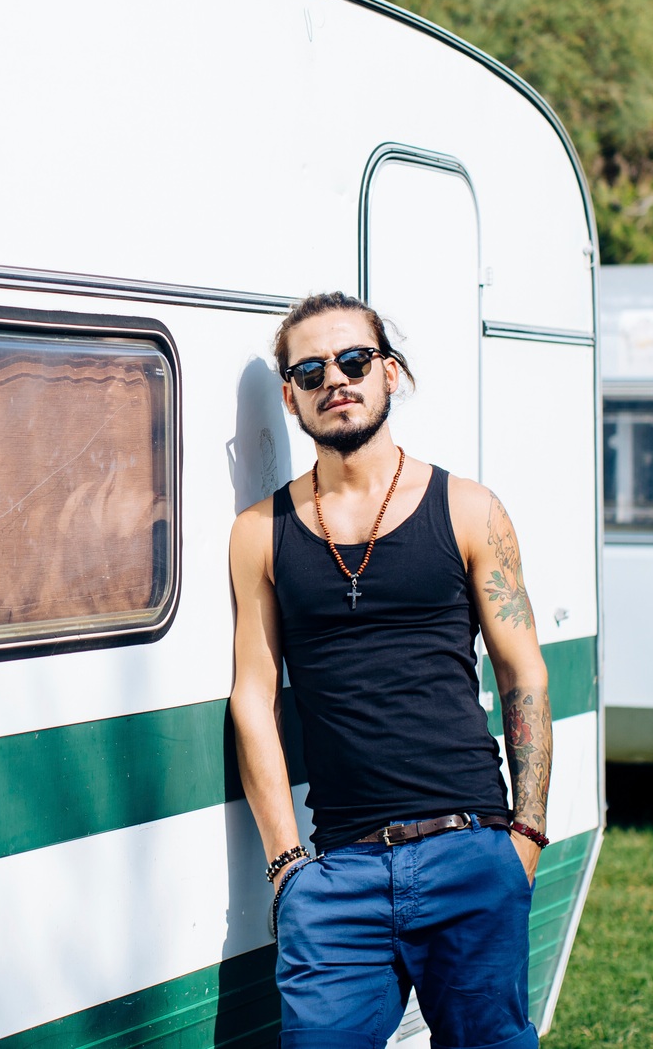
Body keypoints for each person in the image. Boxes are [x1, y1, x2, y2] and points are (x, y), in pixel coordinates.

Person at [229, 291, 552, 1049]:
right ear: (290, 397)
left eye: (354, 360)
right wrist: (287, 868)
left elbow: (523, 674)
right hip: (339, 876)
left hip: (471, 851)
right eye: (311, 371)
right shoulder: (259, 533)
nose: (335, 380)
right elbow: (252, 699)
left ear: (390, 373)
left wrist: (527, 835)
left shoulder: (468, 509)